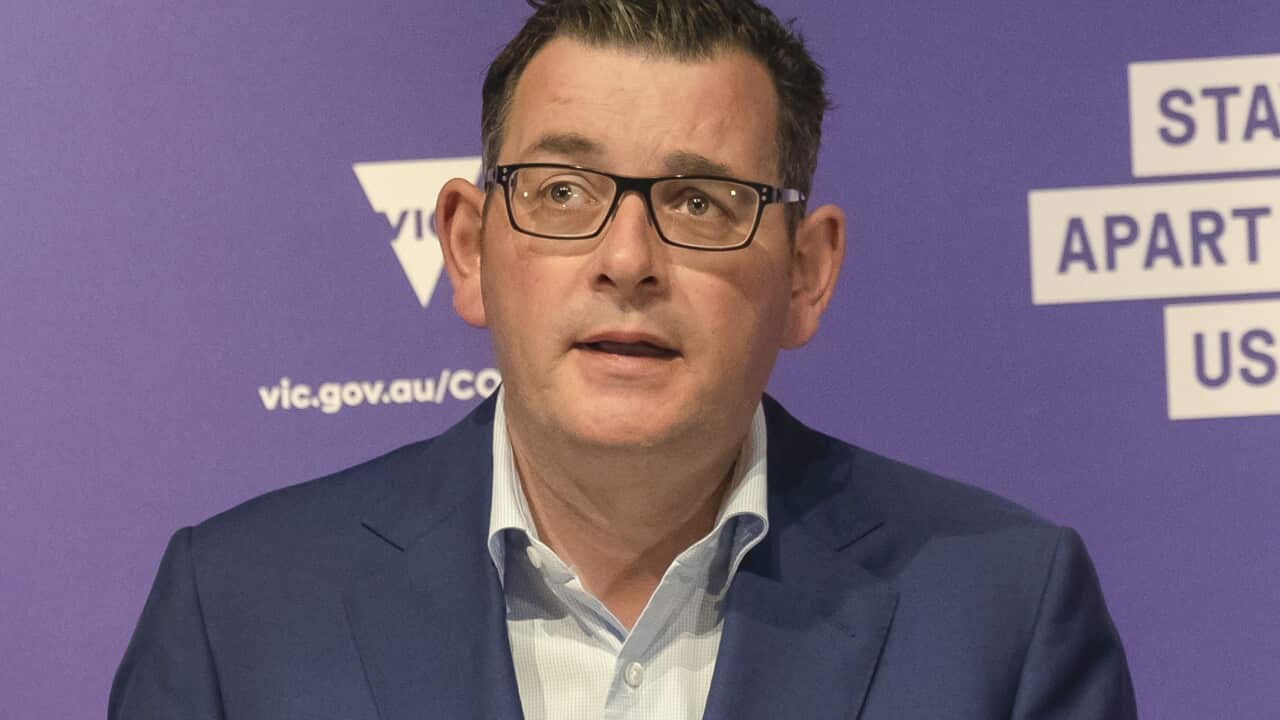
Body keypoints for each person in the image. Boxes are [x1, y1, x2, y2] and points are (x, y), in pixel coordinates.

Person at [110, 1, 1137, 718]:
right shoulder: (240, 607)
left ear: (808, 273)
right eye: (561, 190)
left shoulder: (1000, 606)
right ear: (468, 249)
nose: (627, 260)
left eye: (700, 202)